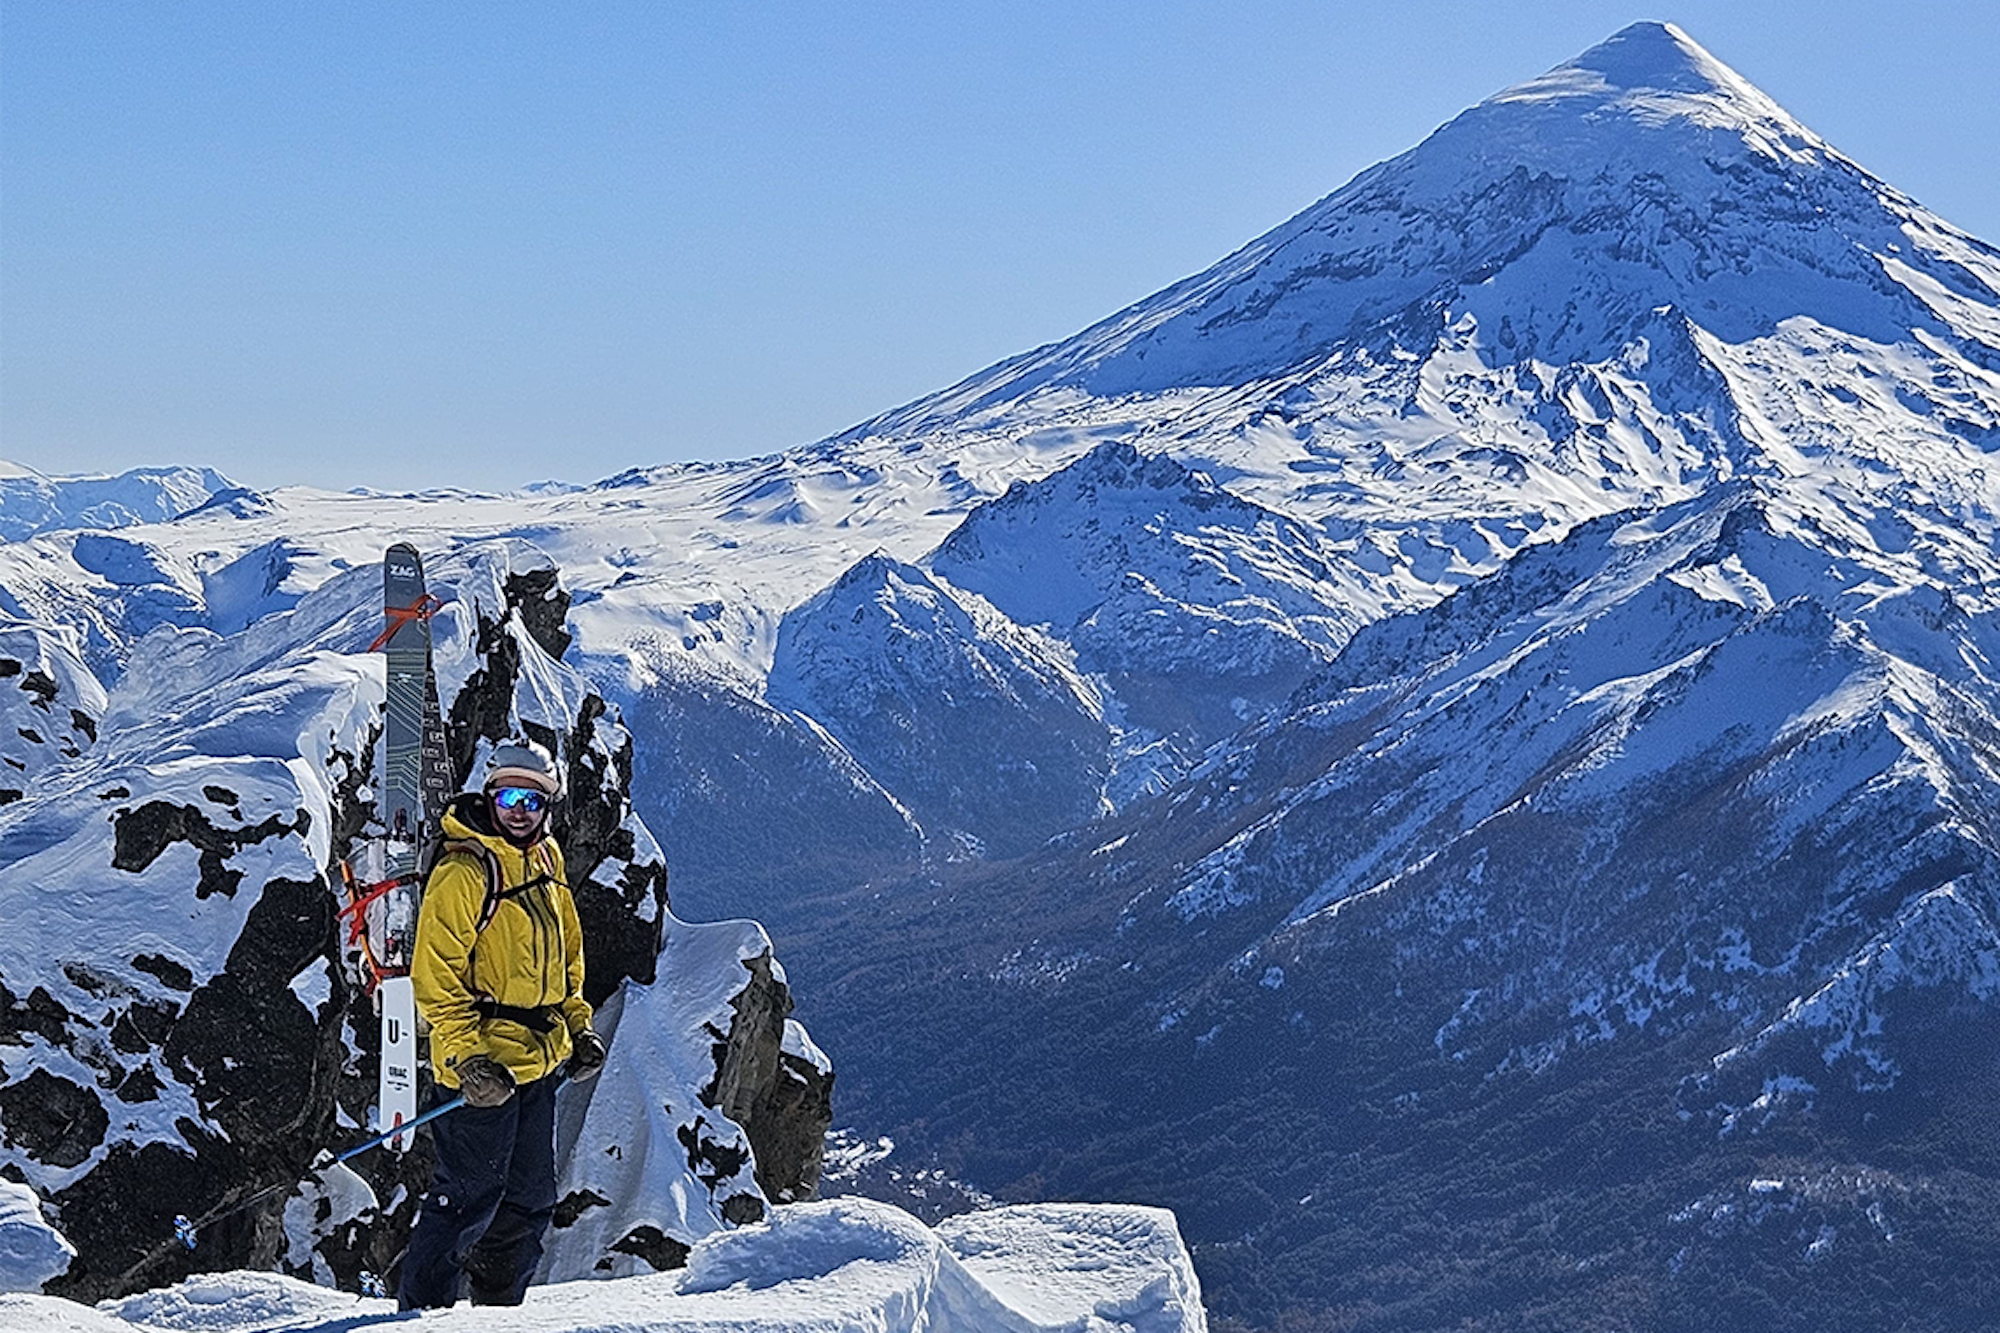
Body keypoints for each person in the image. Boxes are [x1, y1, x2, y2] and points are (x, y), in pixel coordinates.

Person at [397, 742, 608, 1310]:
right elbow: (434, 975)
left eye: (533, 799)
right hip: (480, 1070)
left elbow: (567, 957)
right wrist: (467, 1058)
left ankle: (497, 1315)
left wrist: (577, 1026)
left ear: (548, 805)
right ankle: (422, 1317)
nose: (520, 810)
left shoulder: (546, 860)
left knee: (528, 1202)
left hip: (535, 1062)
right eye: (508, 796)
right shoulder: (466, 870)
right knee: (467, 1200)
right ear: (490, 797)